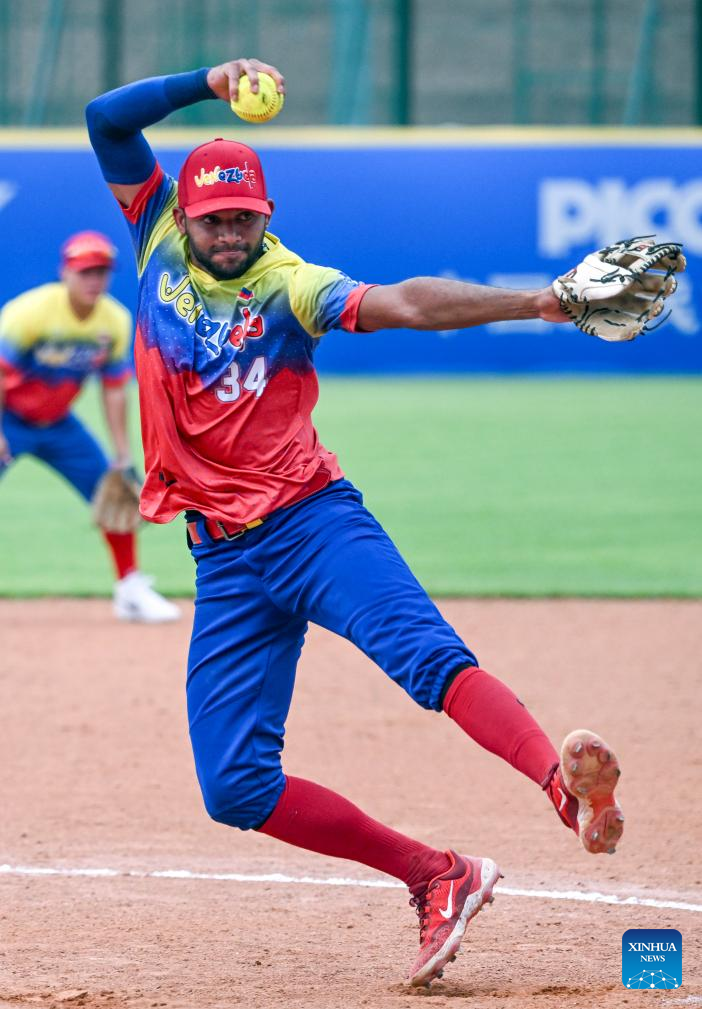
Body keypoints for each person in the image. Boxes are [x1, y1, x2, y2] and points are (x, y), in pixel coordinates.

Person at [85, 59, 624, 987]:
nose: (228, 233)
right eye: (214, 219)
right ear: (185, 212)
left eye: (244, 218)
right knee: (234, 788)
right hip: (224, 561)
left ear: (265, 215)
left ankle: (562, 791)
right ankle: (438, 874)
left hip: (311, 524)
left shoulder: (291, 283)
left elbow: (406, 303)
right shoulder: (155, 230)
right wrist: (208, 79)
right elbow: (105, 118)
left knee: (430, 662)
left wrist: (536, 302)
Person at [0, 231, 180, 623]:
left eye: (101, 271)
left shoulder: (113, 320)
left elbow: (113, 390)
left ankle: (130, 589)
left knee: (113, 493)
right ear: (65, 272)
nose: (93, 280)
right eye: (85, 271)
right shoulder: (29, 312)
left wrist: (122, 454)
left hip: (59, 424)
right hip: (8, 417)